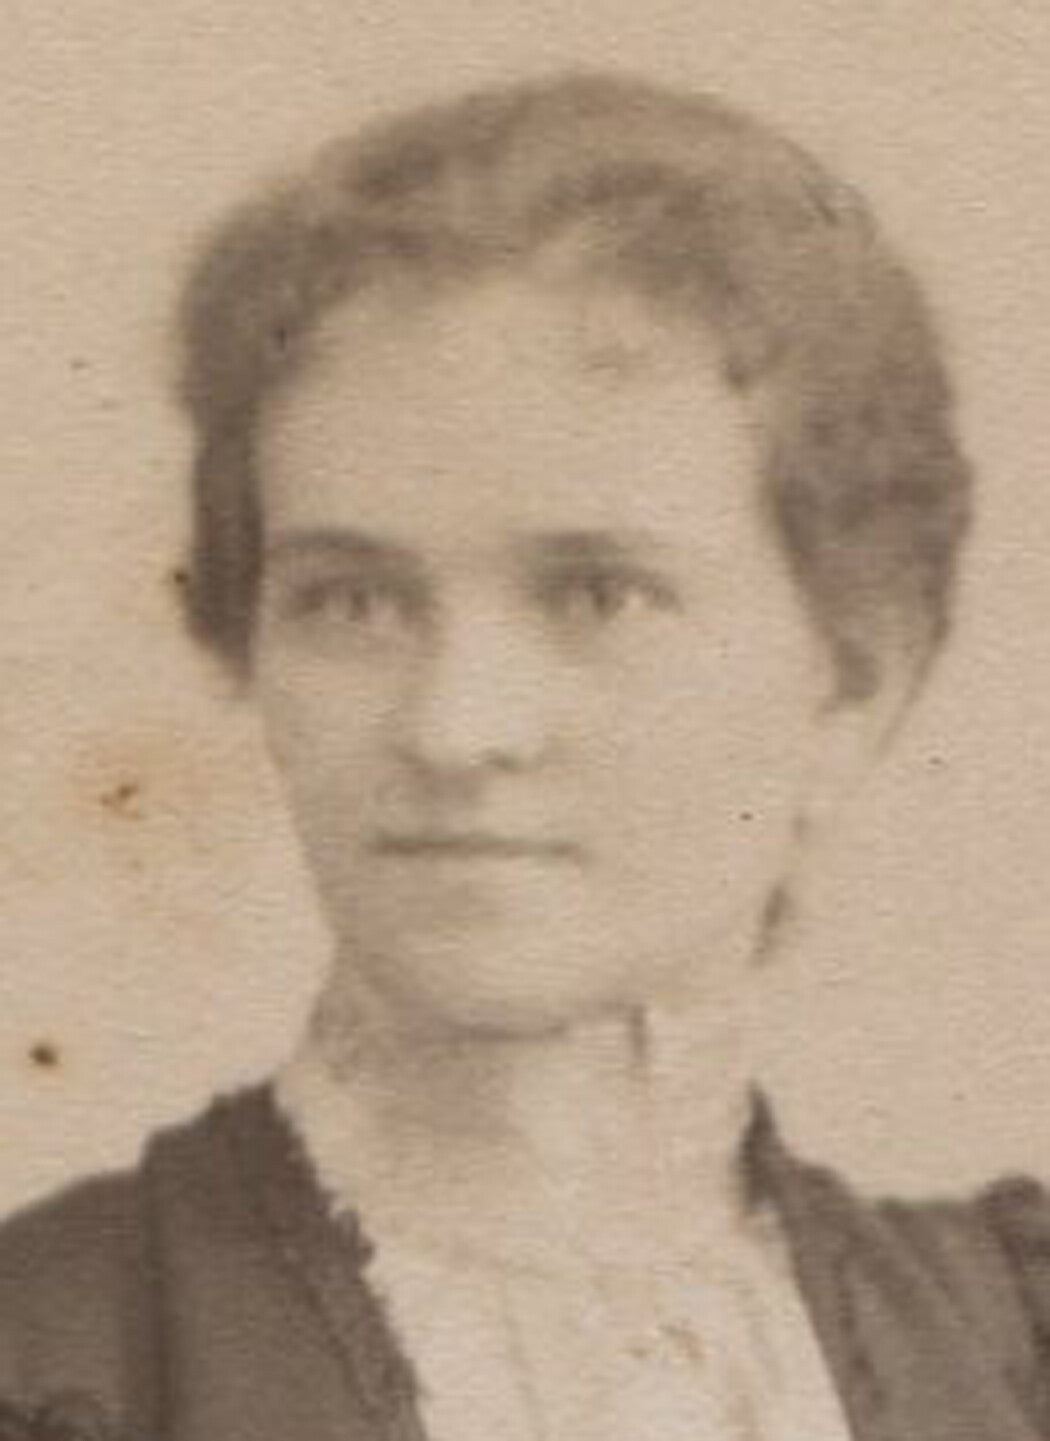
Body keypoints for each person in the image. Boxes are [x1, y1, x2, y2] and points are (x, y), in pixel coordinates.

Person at [1, 68, 1047, 1441]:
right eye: (352, 600)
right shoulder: (55, 1360)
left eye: (597, 593)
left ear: (854, 675)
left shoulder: (1008, 1351)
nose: (455, 725)